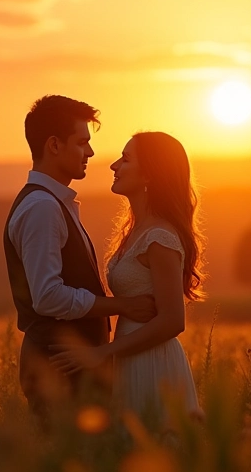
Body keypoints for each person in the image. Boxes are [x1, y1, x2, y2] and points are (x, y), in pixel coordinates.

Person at [3, 95, 156, 429]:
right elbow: (48, 296)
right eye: (82, 142)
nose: (90, 152)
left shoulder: (52, 203)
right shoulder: (42, 208)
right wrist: (122, 306)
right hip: (59, 367)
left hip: (70, 367)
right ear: (54, 145)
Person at [51, 131, 205, 430]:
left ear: (149, 174)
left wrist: (101, 353)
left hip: (153, 363)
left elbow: (174, 321)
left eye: (126, 158)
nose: (114, 165)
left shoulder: (160, 237)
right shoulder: (136, 231)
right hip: (130, 358)